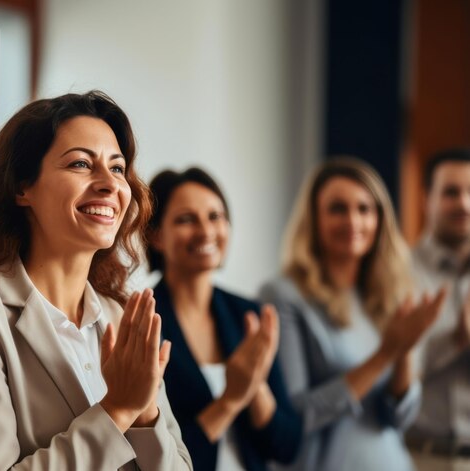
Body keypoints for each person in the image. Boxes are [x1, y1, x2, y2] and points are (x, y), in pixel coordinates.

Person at [0, 91, 192, 471]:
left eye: (117, 169)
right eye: (81, 164)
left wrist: (145, 414)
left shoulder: (120, 316)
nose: (109, 184)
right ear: (22, 188)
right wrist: (117, 409)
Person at [260, 157, 446, 471]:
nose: (353, 221)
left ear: (380, 219)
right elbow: (292, 416)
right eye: (337, 209)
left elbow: (399, 417)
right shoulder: (282, 296)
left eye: (365, 209)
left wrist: (403, 351)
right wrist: (386, 353)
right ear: (313, 219)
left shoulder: (389, 295)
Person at [144, 167, 302, 471]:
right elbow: (153, 458)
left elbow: (287, 446)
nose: (206, 232)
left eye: (215, 217)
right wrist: (230, 399)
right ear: (156, 236)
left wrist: (255, 387)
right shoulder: (143, 322)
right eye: (186, 219)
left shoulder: (248, 314)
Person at [407, 149, 470, 470]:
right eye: (451, 192)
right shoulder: (398, 273)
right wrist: (456, 340)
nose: (464, 203)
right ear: (426, 198)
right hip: (422, 457)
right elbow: (386, 371)